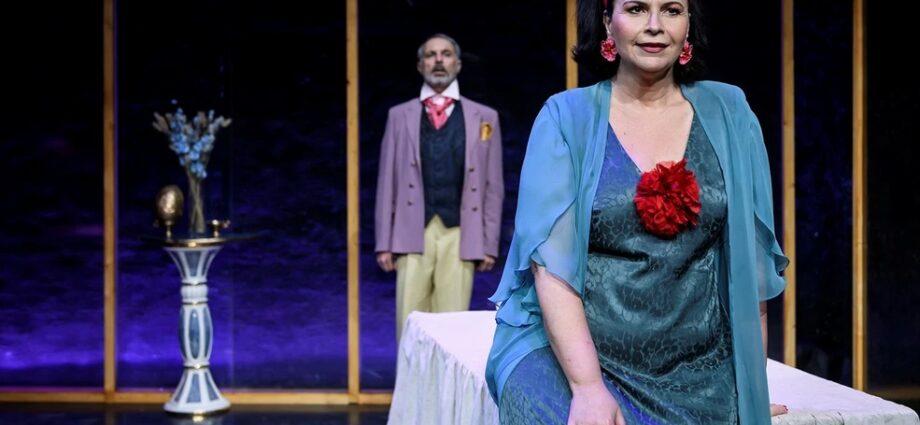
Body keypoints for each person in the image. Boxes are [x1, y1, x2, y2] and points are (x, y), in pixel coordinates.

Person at [485, 0, 789, 423]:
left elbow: (750, 270)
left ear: (688, 26)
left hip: (699, 367)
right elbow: (551, 269)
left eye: (671, 10)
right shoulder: (566, 118)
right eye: (636, 9)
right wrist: (588, 387)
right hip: (575, 355)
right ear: (607, 22)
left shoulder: (730, 112)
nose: (655, 26)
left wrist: (753, 386)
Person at [375, 34, 504, 341]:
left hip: (460, 232)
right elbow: (387, 180)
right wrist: (384, 241)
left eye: (445, 54)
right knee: (410, 325)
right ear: (420, 65)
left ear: (457, 64)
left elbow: (493, 184)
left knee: (452, 327)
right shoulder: (399, 116)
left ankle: (446, 379)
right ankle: (410, 377)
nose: (438, 60)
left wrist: (488, 242)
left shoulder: (485, 118)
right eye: (431, 55)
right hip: (411, 231)